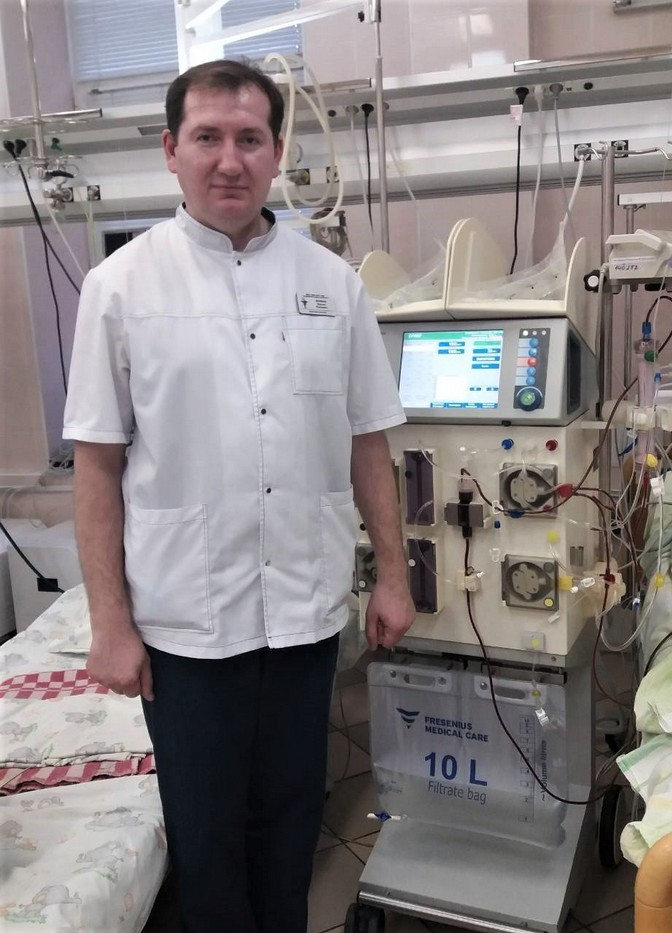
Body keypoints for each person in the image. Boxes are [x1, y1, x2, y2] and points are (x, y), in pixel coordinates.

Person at [63, 59, 415, 933]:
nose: (230, 158)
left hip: (302, 614)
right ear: (171, 150)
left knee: (291, 826)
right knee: (208, 839)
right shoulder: (120, 288)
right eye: (208, 137)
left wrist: (394, 575)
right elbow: (97, 467)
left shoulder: (333, 286)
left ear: (277, 152)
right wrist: (109, 623)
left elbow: (368, 440)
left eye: (250, 138)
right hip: (185, 626)